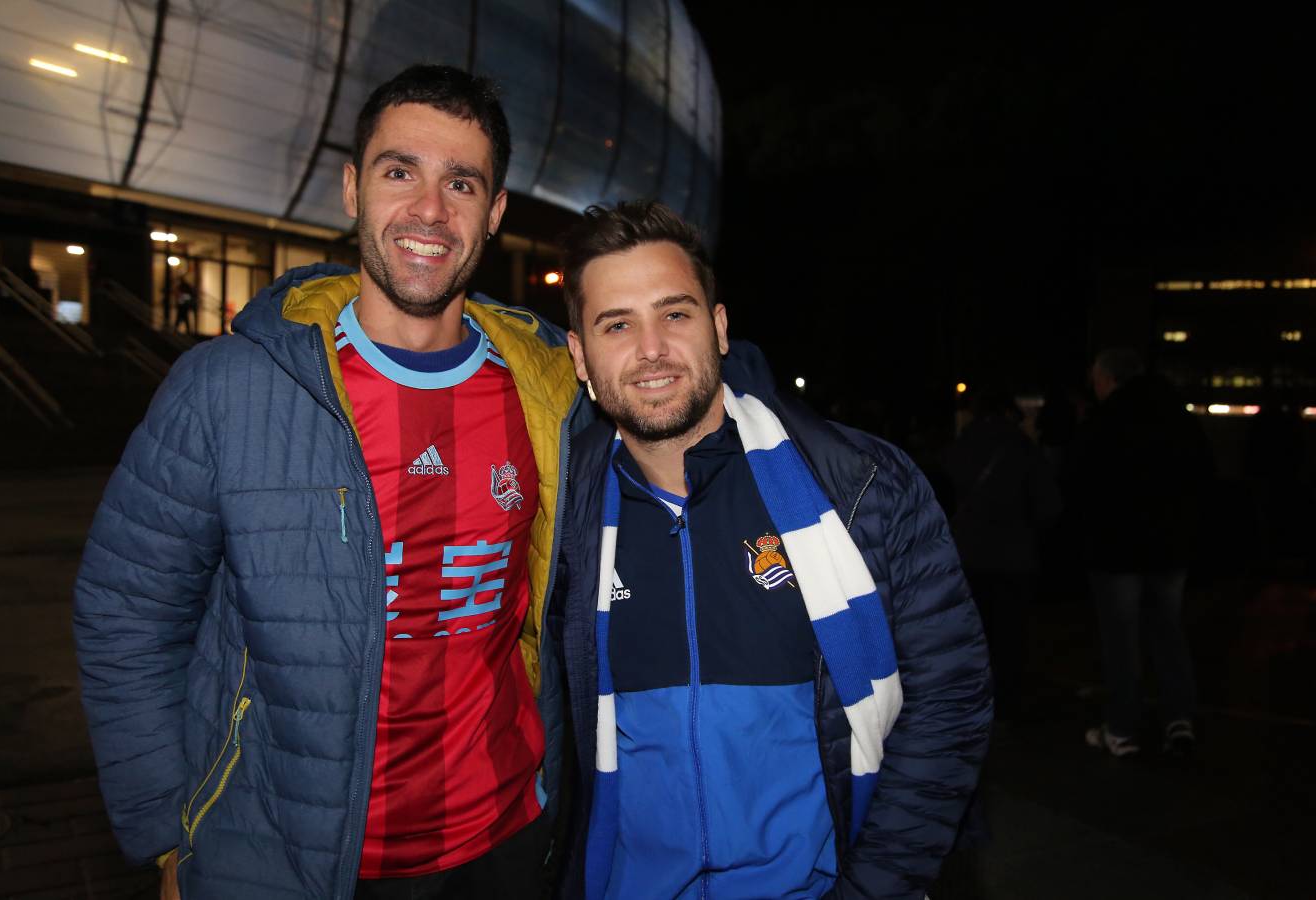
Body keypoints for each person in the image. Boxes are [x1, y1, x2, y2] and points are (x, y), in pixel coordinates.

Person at [73, 65, 583, 900]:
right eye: (399, 171)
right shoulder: (230, 387)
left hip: (505, 844)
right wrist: (169, 832)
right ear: (352, 188)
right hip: (286, 858)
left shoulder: (551, 393)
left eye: (460, 183)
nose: (429, 210)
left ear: (493, 212)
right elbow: (124, 612)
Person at [551, 201, 992, 899]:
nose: (652, 348)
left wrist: (872, 888)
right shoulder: (557, 515)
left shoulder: (863, 487)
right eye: (617, 324)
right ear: (580, 356)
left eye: (675, 314)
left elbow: (948, 702)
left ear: (719, 327)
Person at [1074, 348, 1211, 758]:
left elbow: (1082, 482)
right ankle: (1179, 717)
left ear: (1107, 379)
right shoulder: (1178, 417)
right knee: (1168, 632)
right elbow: (1203, 477)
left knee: (1122, 641)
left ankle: (1123, 727)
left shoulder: (1105, 421)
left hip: (1117, 549)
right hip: (1170, 547)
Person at [941, 388, 1061, 720]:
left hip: (968, 556)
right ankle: (1007, 703)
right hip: (1015, 559)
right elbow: (1048, 506)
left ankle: (971, 700)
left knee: (971, 634)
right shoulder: (1023, 448)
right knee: (1010, 636)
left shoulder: (960, 446)